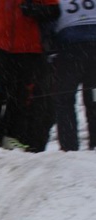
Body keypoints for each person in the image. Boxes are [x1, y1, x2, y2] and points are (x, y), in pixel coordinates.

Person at [0, 0, 60, 150]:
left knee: (21, 93)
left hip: (29, 47)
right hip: (0, 45)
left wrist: (35, 10)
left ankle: (12, 136)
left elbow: (54, 10)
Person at [51, 2, 96, 151]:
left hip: (69, 48)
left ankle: (68, 145)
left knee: (64, 99)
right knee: (94, 98)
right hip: (93, 44)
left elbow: (49, 21)